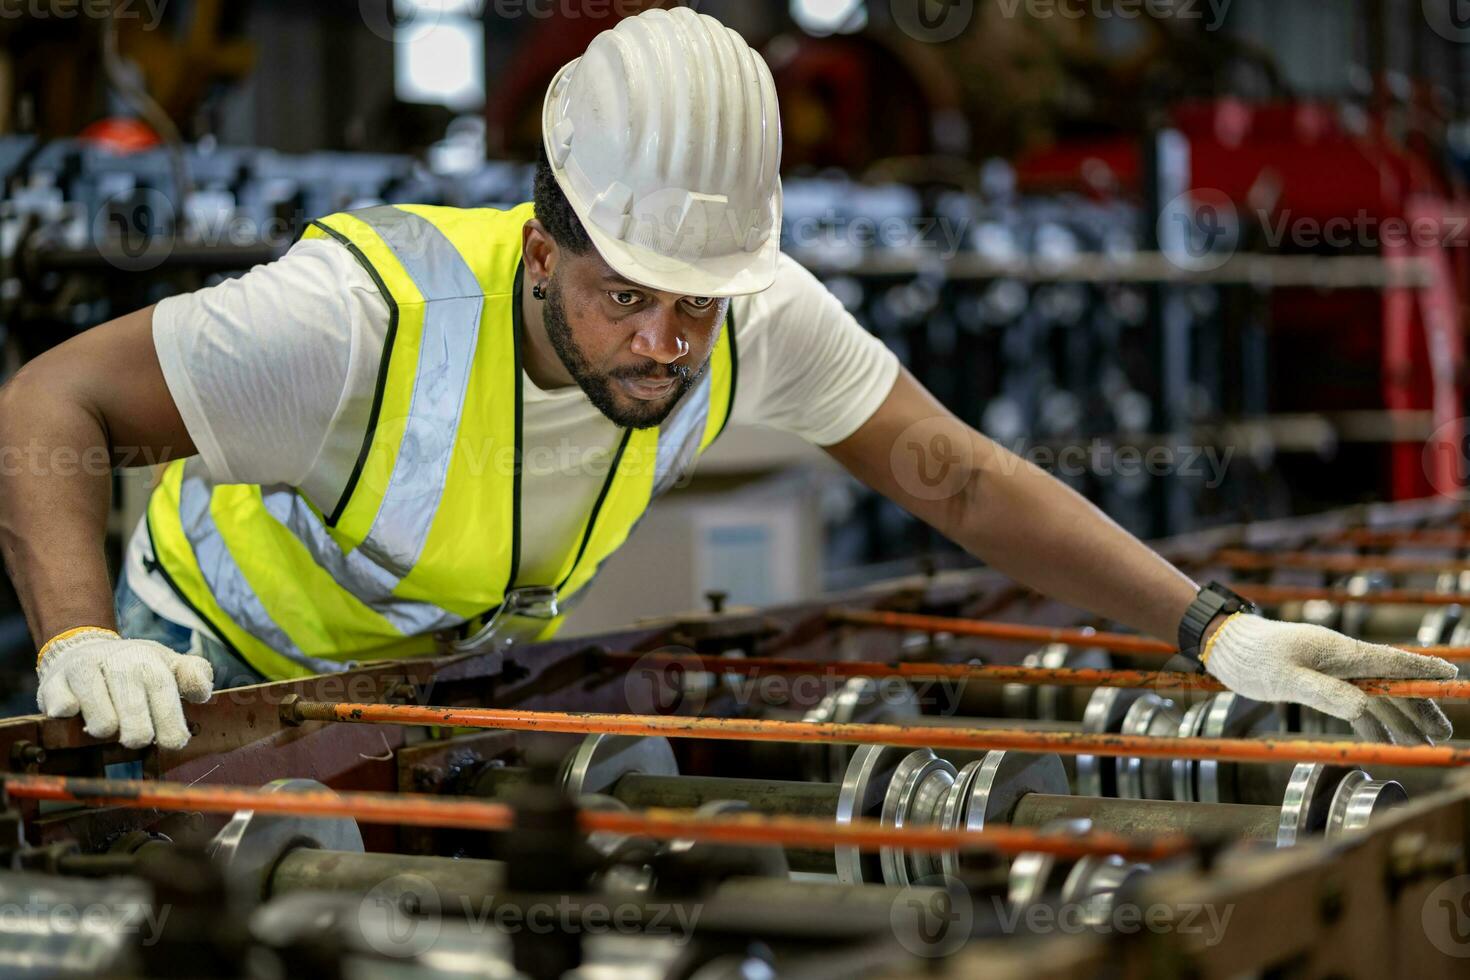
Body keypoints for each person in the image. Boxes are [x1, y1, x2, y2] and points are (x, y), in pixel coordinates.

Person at [0, 8, 1455, 751]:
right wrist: (77, 644)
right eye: (627, 294)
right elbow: (42, 405)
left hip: (428, 685)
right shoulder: (350, 320)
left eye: (695, 306)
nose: (666, 343)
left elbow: (950, 473)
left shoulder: (744, 305)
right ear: (539, 245)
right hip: (205, 684)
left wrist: (1213, 632)